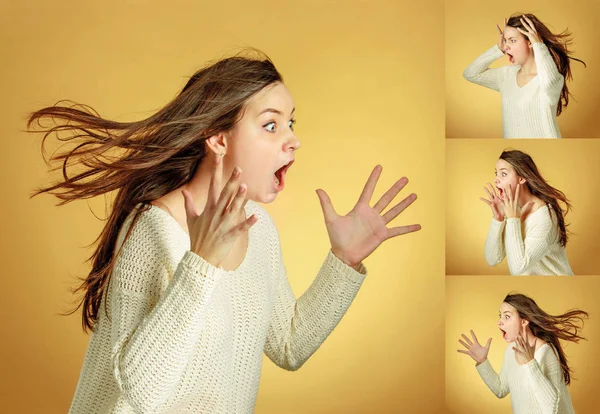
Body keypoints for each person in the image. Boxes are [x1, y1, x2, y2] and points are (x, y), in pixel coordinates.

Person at [27, 52, 421, 413]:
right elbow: (140, 392)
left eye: (290, 123)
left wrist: (344, 260)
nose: (293, 139)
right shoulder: (154, 228)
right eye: (270, 125)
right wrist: (199, 265)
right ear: (218, 139)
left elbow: (288, 345)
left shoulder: (258, 227)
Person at [457, 293, 588, 413]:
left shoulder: (545, 352)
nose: (500, 321)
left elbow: (551, 408)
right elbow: (501, 389)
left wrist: (530, 363)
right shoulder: (511, 350)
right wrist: (482, 361)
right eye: (500, 316)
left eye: (507, 316)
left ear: (524, 321)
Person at [463, 13, 586, 138]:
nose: (506, 46)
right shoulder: (506, 75)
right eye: (505, 40)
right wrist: (498, 49)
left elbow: (549, 82)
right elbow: (470, 74)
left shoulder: (551, 78)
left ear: (530, 42)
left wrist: (539, 45)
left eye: (512, 40)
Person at [480, 149, 573, 275]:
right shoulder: (512, 209)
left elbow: (518, 268)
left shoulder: (544, 217)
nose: (496, 179)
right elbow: (492, 259)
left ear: (522, 178)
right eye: (496, 173)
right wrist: (498, 218)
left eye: (503, 174)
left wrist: (513, 219)